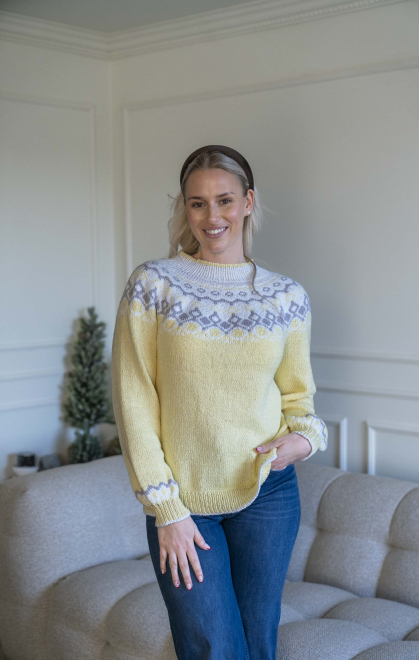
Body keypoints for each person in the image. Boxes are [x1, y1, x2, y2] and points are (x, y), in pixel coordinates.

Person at [111, 145, 328, 660]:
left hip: (268, 495)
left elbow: (299, 398)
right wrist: (167, 510)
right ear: (185, 209)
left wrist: (305, 439)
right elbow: (134, 399)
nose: (212, 217)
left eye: (225, 200)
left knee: (257, 644)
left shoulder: (286, 297)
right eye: (198, 203)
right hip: (185, 502)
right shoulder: (154, 286)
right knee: (214, 648)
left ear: (248, 202)